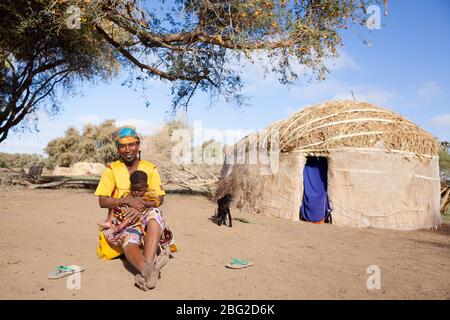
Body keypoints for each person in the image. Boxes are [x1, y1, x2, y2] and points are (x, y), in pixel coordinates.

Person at [94, 126, 171, 290]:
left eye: (132, 144)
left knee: (155, 214)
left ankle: (145, 269)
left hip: (146, 215)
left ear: (138, 145)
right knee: (129, 236)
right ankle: (147, 269)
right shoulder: (111, 170)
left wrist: (139, 206)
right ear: (118, 149)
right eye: (123, 146)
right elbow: (102, 201)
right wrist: (127, 201)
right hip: (123, 218)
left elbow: (160, 198)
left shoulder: (150, 168)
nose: (128, 149)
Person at [98, 170, 173, 250]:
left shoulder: (149, 194)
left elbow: (156, 202)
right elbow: (123, 199)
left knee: (131, 217)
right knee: (114, 207)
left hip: (141, 215)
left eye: (139, 190)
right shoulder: (130, 193)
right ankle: (109, 221)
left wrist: (145, 204)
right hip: (127, 211)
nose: (136, 192)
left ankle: (119, 227)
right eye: (134, 190)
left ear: (146, 187)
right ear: (131, 186)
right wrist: (123, 201)